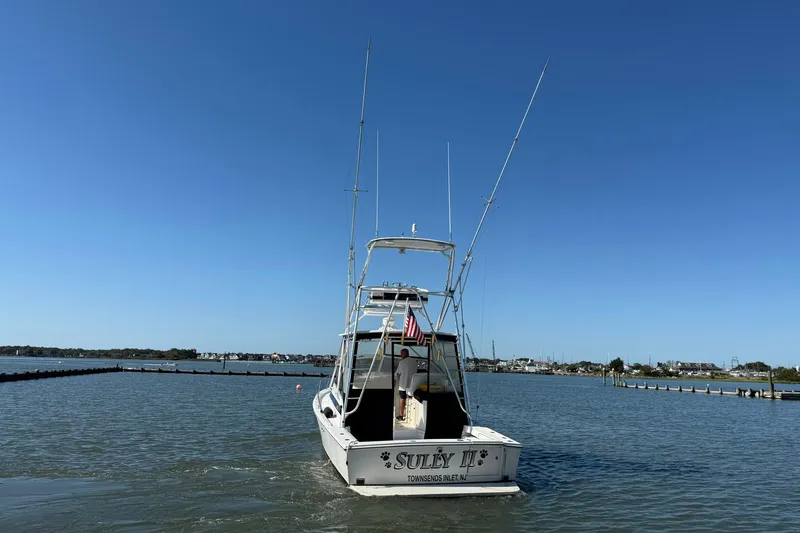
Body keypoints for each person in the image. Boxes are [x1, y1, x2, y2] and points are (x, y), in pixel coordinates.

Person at [395, 348, 418, 421]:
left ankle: (401, 416)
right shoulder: (414, 361)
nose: (400, 355)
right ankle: (411, 417)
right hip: (412, 385)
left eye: (401, 353)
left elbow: (397, 374)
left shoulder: (402, 363)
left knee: (402, 399)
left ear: (405, 354)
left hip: (403, 385)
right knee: (410, 399)